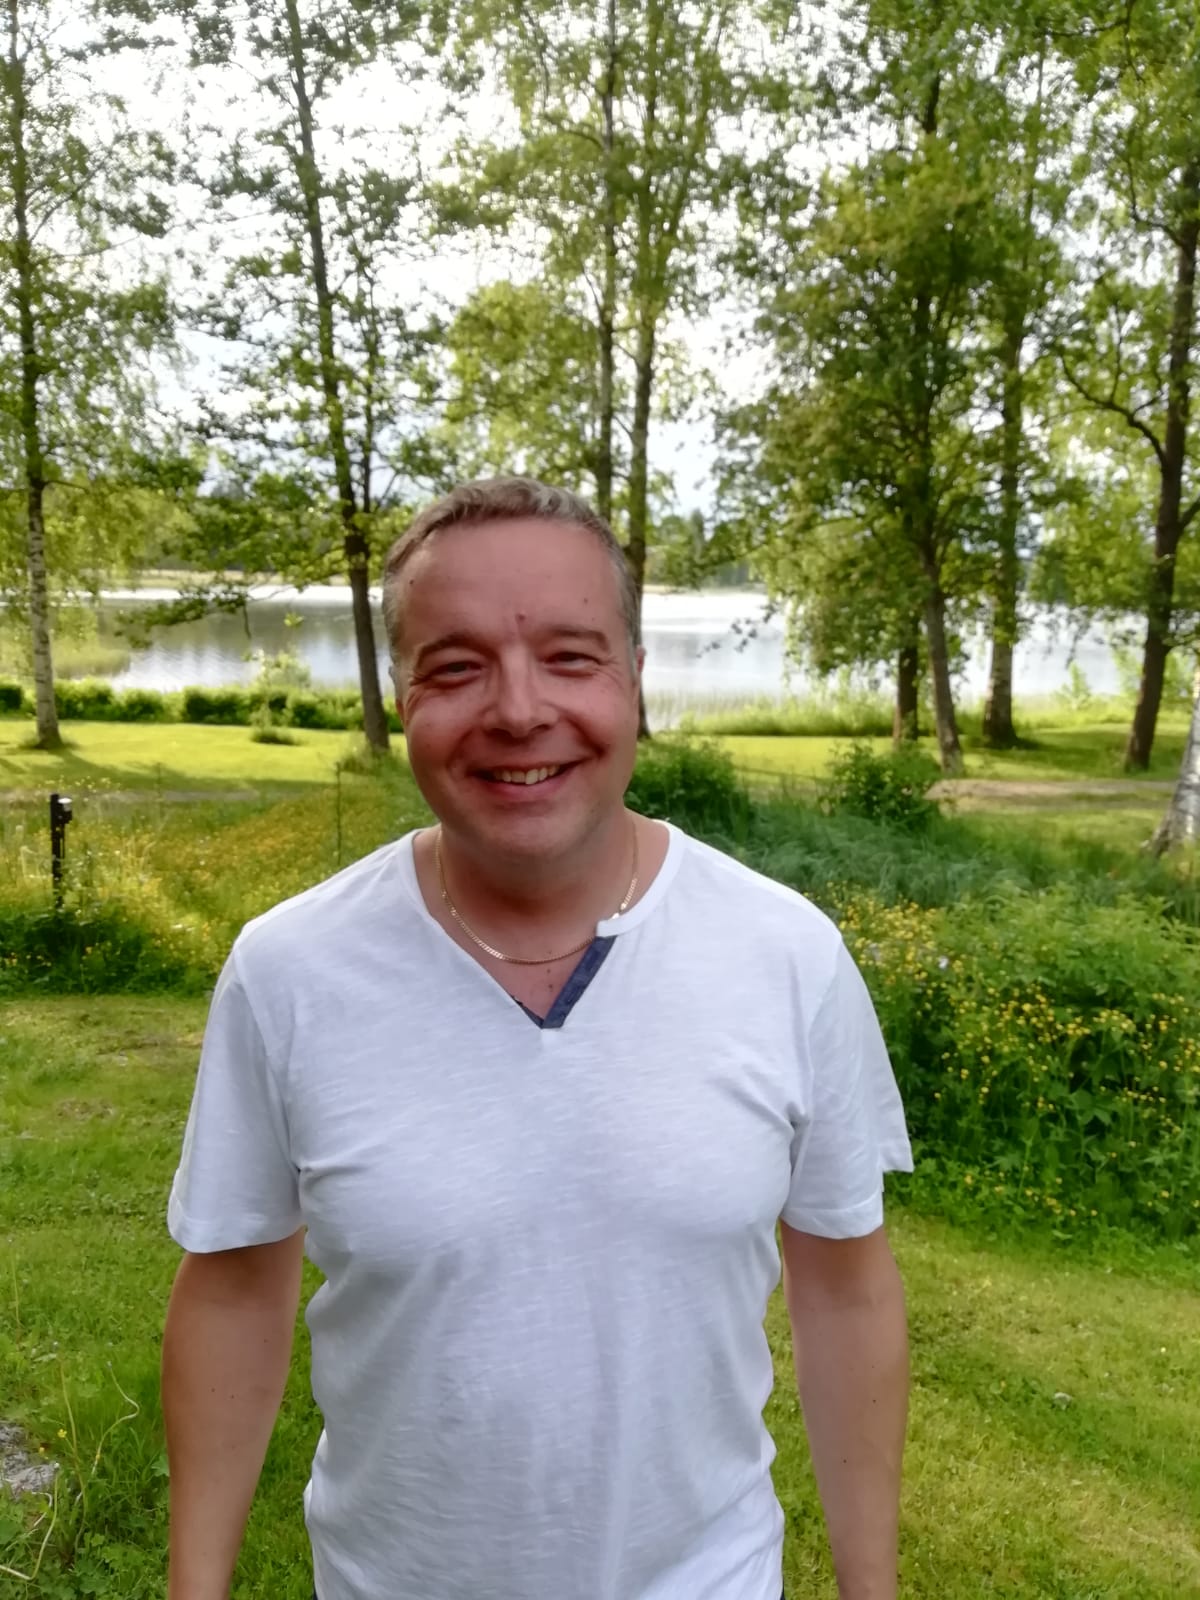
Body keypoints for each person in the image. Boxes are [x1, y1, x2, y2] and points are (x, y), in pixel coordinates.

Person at [162, 476, 912, 1600]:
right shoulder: (289, 972)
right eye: (456, 666)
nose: (518, 711)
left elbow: (846, 1291)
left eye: (569, 656)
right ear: (401, 698)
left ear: (634, 681)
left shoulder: (787, 955)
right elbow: (232, 1292)